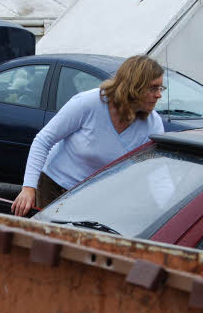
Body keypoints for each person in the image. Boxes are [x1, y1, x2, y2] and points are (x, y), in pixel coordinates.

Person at [11, 54, 166, 217]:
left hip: (95, 197)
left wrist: (167, 210)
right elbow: (43, 141)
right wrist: (29, 188)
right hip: (55, 187)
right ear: (134, 86)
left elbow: (158, 173)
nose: (158, 95)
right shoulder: (89, 103)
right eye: (153, 88)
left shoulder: (152, 123)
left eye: (161, 88)